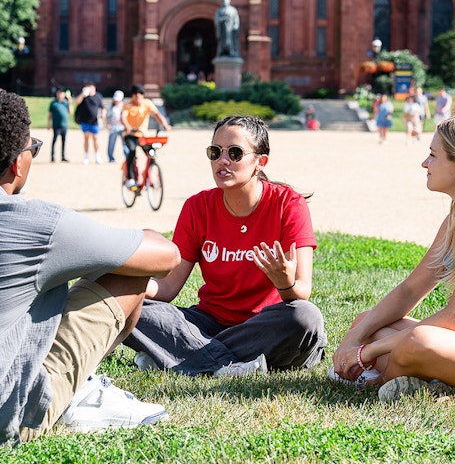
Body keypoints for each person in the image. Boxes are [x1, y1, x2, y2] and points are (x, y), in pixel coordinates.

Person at [0, 91, 181, 445]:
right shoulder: (38, 224)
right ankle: (78, 389)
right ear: (17, 164)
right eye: (32, 148)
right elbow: (165, 256)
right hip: (9, 413)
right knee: (127, 271)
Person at [125, 115, 327, 377]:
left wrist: (284, 283)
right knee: (129, 307)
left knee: (305, 318)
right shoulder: (197, 207)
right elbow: (167, 287)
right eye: (215, 152)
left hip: (264, 325)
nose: (223, 160)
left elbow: (301, 293)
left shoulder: (289, 204)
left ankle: (181, 356)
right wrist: (124, 281)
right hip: (208, 323)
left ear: (260, 162)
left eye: (234, 153)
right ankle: (227, 365)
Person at [329, 114, 455, 401]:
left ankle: (381, 381)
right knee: (367, 322)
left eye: (432, 155)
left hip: (453, 337)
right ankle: (429, 380)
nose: (424, 164)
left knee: (417, 341)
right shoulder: (454, 219)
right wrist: (356, 338)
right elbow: (410, 290)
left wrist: (368, 353)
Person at [121, 84, 171, 191]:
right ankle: (130, 178)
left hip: (143, 136)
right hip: (130, 134)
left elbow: (156, 114)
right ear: (133, 96)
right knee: (132, 150)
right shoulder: (127, 105)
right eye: (136, 95)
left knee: (152, 154)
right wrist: (128, 127)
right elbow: (123, 117)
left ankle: (147, 175)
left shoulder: (147, 104)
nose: (139, 97)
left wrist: (165, 124)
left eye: (141, 95)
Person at [74, 82, 106, 164]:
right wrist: (82, 94)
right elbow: (77, 102)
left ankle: (97, 156)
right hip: (85, 121)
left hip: (94, 121)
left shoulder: (97, 96)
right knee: (86, 139)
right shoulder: (84, 96)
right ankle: (86, 156)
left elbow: (102, 107)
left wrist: (103, 114)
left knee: (95, 139)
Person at [48, 87, 73, 162]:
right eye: (59, 92)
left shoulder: (66, 102)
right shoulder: (53, 103)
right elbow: (50, 114)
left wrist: (70, 102)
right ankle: (52, 156)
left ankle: (63, 156)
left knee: (63, 141)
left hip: (64, 125)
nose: (60, 94)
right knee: (54, 140)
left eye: (62, 93)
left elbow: (71, 112)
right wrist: (48, 124)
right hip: (56, 125)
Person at [107, 90, 128, 163]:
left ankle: (128, 157)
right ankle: (111, 157)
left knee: (125, 144)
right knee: (111, 144)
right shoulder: (111, 107)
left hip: (122, 128)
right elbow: (108, 116)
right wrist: (108, 124)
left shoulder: (124, 106)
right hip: (113, 128)